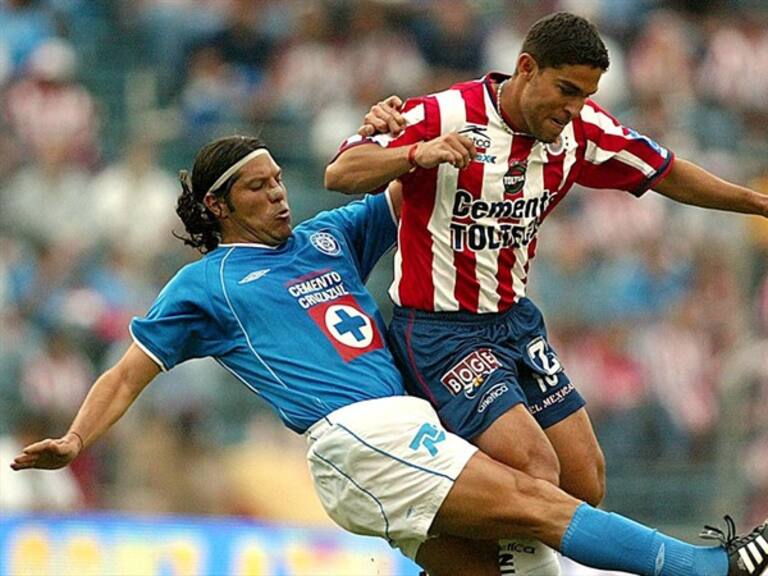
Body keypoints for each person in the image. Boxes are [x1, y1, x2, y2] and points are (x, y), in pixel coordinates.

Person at [10, 135, 768, 576]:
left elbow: (412, 185)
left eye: (279, 181)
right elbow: (128, 372)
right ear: (218, 205)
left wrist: (399, 134)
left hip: (402, 431)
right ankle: (707, 568)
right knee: (542, 503)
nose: (280, 195)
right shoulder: (208, 283)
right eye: (259, 188)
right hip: (357, 437)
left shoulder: (327, 236)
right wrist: (76, 438)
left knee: (524, 566)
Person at [325, 10, 768, 567]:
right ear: (527, 68)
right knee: (535, 469)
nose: (574, 108)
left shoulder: (580, 132)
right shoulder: (441, 114)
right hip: (441, 332)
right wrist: (417, 154)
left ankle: (456, 557)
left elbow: (666, 170)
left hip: (514, 323)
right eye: (566, 90)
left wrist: (758, 203)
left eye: (586, 96)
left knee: (585, 482)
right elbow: (341, 171)